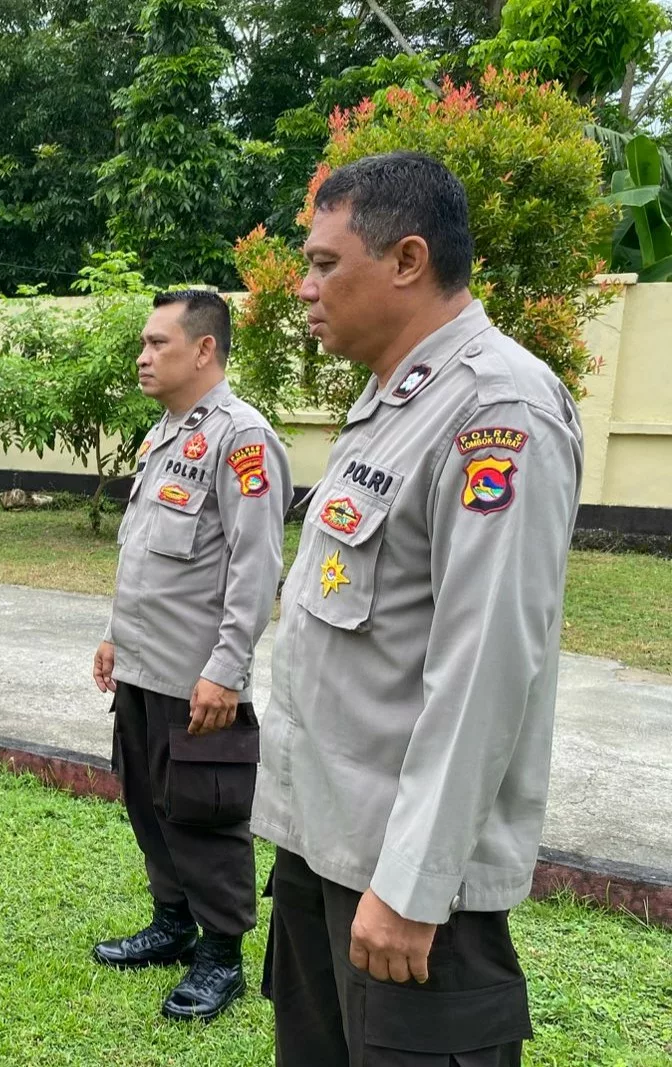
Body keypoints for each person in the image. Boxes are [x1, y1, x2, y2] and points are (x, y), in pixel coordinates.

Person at [254, 152, 583, 1065]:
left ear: (407, 260)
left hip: (402, 890)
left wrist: (412, 886)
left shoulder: (498, 412)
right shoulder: (394, 400)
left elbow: (485, 668)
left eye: (324, 264)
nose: (305, 288)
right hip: (328, 850)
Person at [91, 289, 292, 1021]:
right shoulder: (164, 436)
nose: (143, 357)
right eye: (143, 344)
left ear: (203, 349)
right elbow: (143, 551)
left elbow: (254, 567)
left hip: (198, 677)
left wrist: (226, 670)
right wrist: (117, 633)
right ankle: (173, 922)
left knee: (205, 813)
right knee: (149, 801)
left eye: (157, 343)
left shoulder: (243, 440)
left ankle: (220, 955)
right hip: (145, 668)